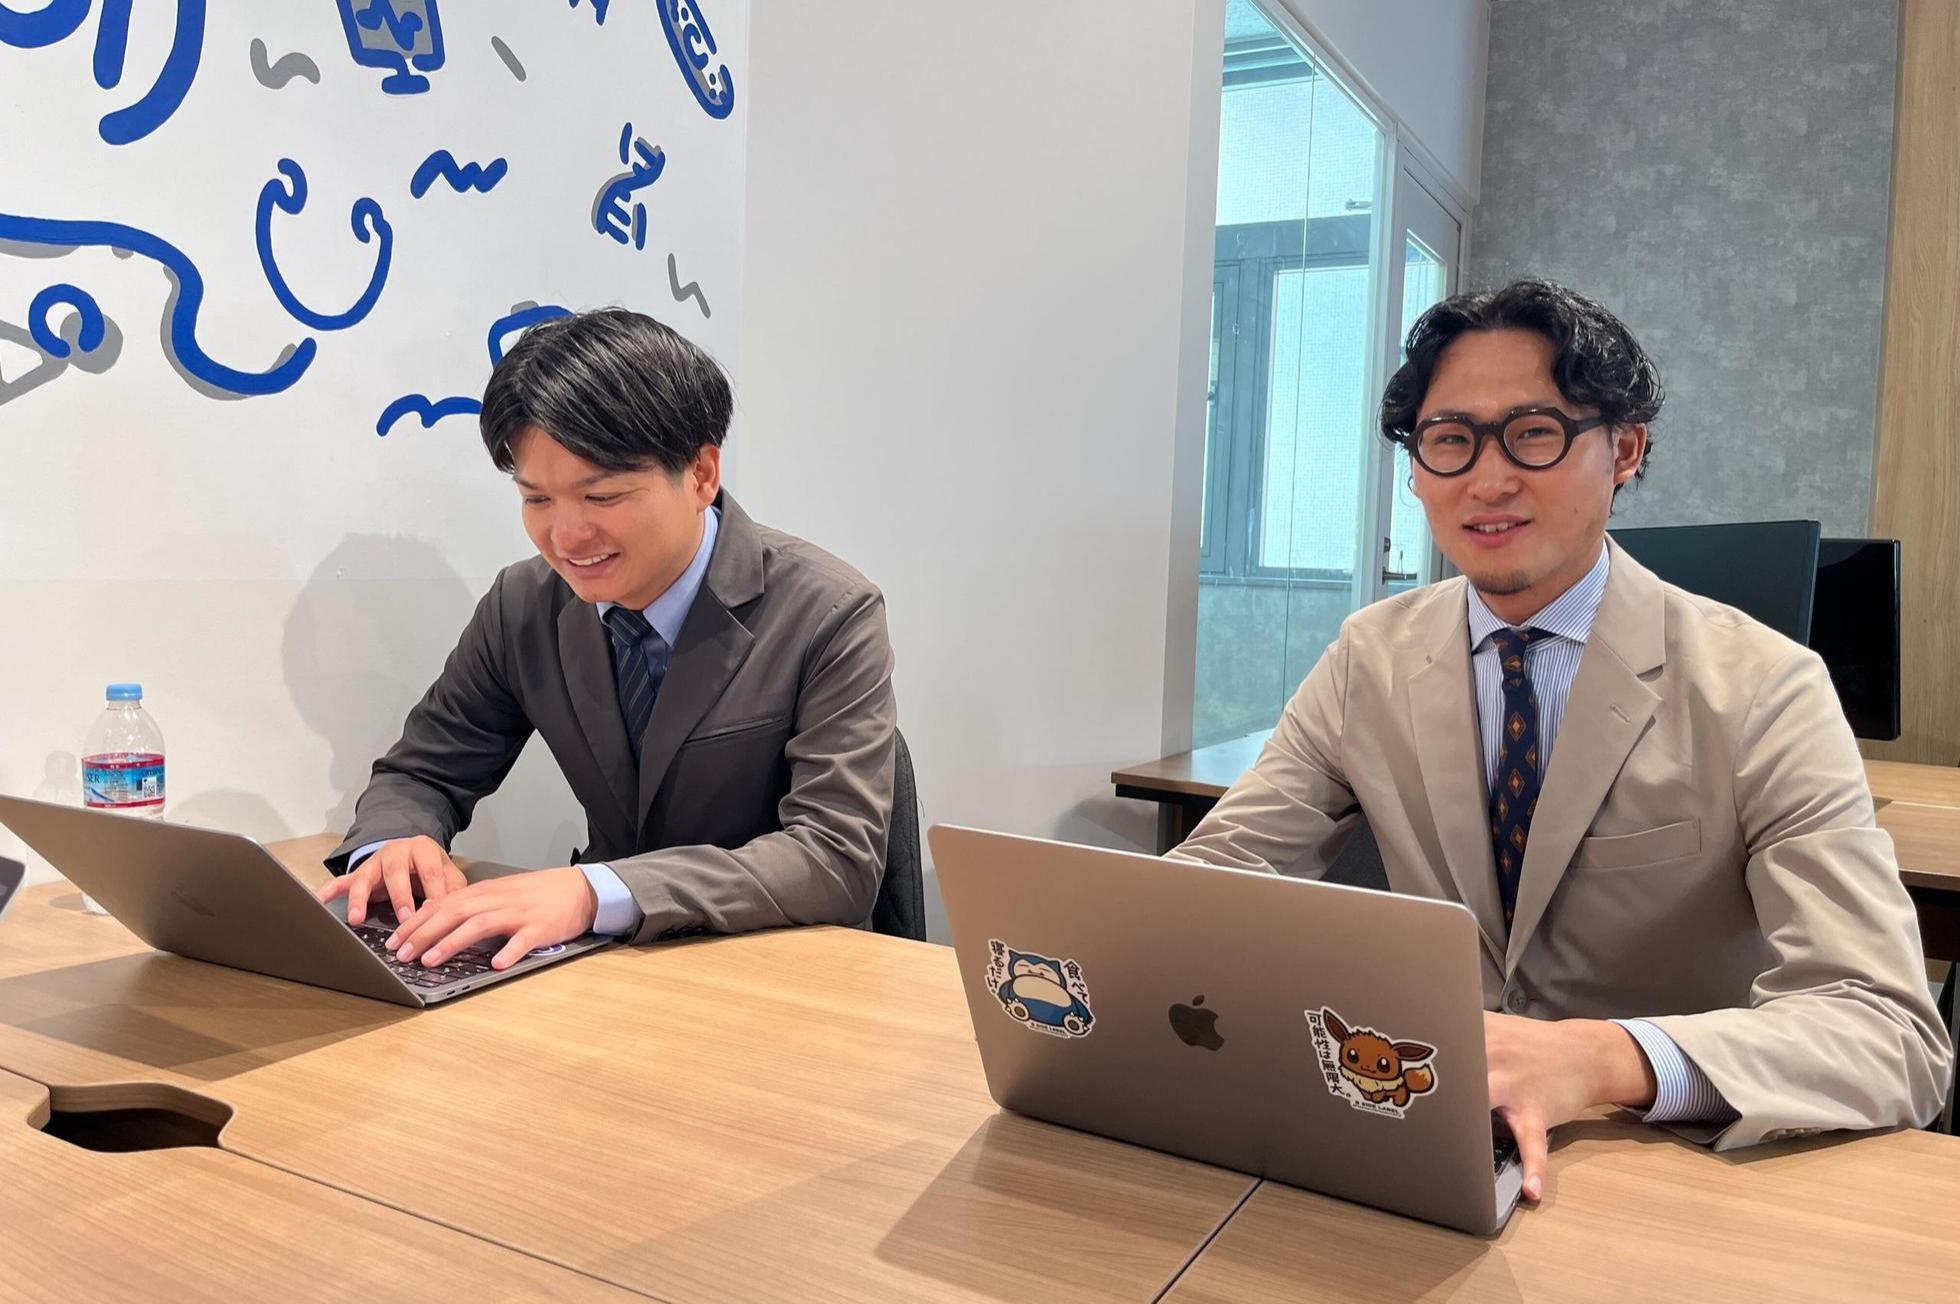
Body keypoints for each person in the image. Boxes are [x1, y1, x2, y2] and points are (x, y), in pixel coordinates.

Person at [1172, 278, 1950, 1200]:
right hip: (1430, 1137)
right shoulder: (1367, 659)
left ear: (1624, 450)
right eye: (1449, 440)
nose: (1487, 480)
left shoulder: (1767, 688)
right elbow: (1212, 883)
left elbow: (1889, 1032)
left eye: (1534, 433)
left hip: (1667, 1166)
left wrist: (1601, 1059)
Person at [316, 308, 898, 970]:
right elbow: (425, 769)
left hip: (782, 971)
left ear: (702, 474)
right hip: (606, 971)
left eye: (602, 497)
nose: (566, 537)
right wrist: (395, 843)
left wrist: (596, 892)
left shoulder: (828, 610)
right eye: (537, 500)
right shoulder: (524, 604)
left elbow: (833, 856)